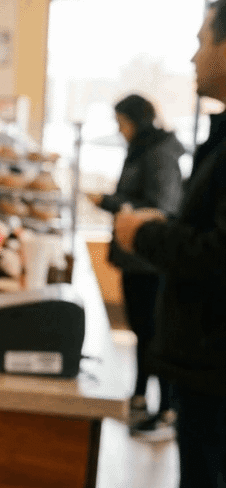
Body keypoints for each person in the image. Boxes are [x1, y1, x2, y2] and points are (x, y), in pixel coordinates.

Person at [113, 3, 226, 488]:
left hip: (214, 370)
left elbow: (216, 252)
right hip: (201, 366)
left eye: (203, 39)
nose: (193, 54)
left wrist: (146, 233)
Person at [87, 94, 183, 441]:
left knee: (155, 335)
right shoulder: (142, 150)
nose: (120, 130)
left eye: (122, 123)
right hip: (135, 258)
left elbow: (160, 207)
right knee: (142, 333)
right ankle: (140, 396)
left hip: (150, 262)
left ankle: (167, 409)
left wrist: (110, 202)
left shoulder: (159, 154)